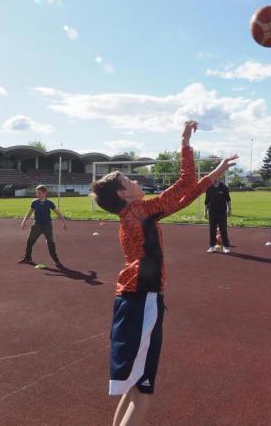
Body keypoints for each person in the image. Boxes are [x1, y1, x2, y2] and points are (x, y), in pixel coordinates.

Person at [91, 120, 237, 426]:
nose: (134, 180)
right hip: (142, 301)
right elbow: (185, 183)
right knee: (143, 393)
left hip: (132, 301)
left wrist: (216, 173)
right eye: (129, 180)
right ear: (124, 193)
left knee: (132, 388)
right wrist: (184, 141)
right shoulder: (139, 211)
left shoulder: (131, 214)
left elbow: (186, 193)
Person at [19, 185, 67, 268]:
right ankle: (27, 258)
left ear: (45, 193)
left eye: (39, 193)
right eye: (37, 193)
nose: (38, 194)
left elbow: (57, 213)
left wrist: (64, 222)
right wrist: (24, 222)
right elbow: (29, 213)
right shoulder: (34, 202)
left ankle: (56, 261)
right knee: (29, 242)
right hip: (36, 225)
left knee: (50, 242)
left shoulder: (50, 203)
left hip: (47, 226)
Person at [204, 176, 232, 253]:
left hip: (222, 212)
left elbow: (228, 199)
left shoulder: (224, 187)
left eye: (216, 178)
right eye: (213, 178)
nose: (214, 180)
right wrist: (205, 212)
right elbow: (206, 201)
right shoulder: (209, 188)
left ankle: (226, 247)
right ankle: (212, 246)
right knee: (212, 230)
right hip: (212, 212)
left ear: (219, 178)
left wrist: (230, 209)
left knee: (223, 230)